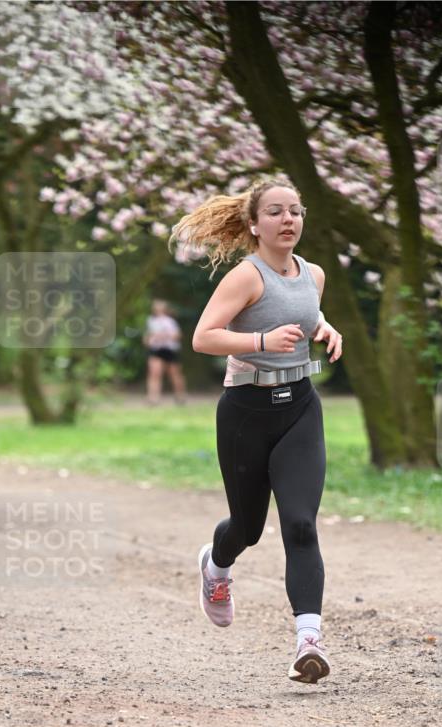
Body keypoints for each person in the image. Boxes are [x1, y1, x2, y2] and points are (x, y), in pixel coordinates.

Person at [169, 178, 343, 683]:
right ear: (254, 224)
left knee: (301, 524)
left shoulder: (314, 274)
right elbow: (204, 337)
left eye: (295, 210)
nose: (288, 219)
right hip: (246, 410)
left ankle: (308, 641)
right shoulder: (246, 276)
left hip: (300, 410)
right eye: (275, 212)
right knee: (246, 528)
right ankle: (216, 566)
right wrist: (261, 339)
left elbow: (305, 312)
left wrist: (323, 327)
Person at [144, 299, 187, 405]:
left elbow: (177, 335)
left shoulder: (170, 321)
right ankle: (153, 398)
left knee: (175, 374)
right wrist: (149, 340)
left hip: (169, 350)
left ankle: (180, 397)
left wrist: (164, 336)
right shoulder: (151, 321)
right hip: (156, 349)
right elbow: (147, 336)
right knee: (154, 373)